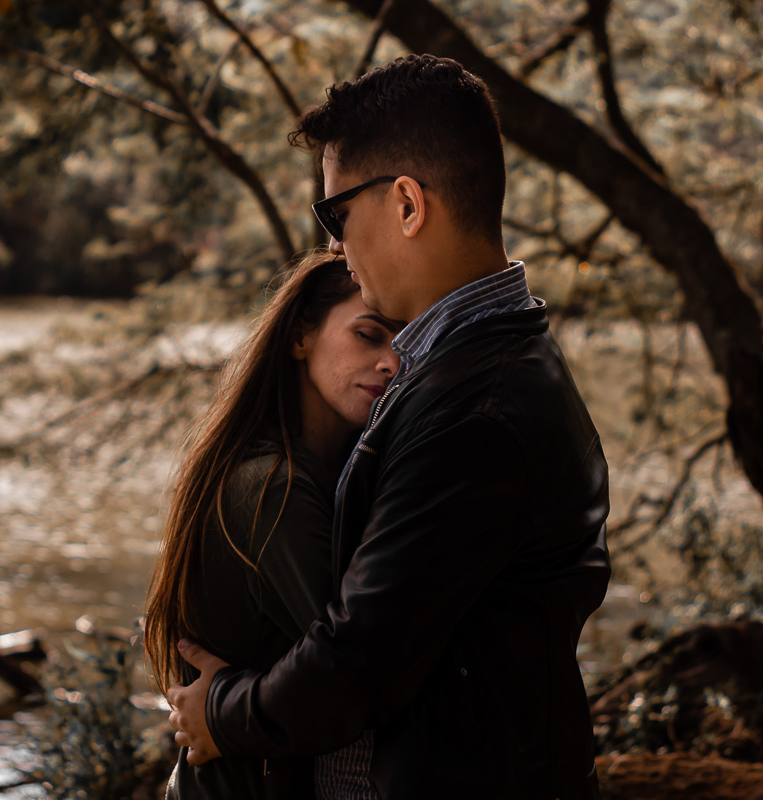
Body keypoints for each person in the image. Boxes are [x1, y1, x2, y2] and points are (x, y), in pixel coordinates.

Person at [166, 54, 612, 800]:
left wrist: (221, 711)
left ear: (407, 205)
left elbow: (357, 662)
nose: (334, 246)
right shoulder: (471, 372)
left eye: (336, 215)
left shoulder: (477, 411)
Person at [143, 251, 402, 798]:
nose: (391, 363)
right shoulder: (271, 488)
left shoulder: (328, 477)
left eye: (403, 344)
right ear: (300, 336)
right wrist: (219, 709)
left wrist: (222, 704)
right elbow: (358, 673)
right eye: (368, 335)